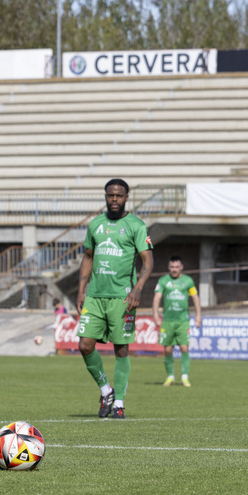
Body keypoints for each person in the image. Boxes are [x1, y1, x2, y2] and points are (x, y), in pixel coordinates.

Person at [76, 178, 153, 419]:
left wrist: (138, 288)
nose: (114, 200)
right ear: (106, 196)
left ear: (127, 197)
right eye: (111, 195)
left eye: (119, 196)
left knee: (121, 349)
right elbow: (88, 256)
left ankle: (118, 402)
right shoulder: (96, 225)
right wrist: (81, 288)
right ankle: (105, 390)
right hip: (95, 297)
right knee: (84, 345)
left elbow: (148, 261)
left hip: (123, 298)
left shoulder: (136, 226)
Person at [152, 255, 201, 387]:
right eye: (172, 267)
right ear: (169, 267)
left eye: (177, 267)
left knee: (184, 348)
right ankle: (170, 377)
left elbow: (195, 298)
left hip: (183, 321)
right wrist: (156, 316)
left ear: (181, 267)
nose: (174, 269)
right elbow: (157, 298)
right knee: (168, 350)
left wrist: (198, 315)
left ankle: (185, 377)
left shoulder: (188, 281)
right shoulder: (163, 281)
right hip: (167, 321)